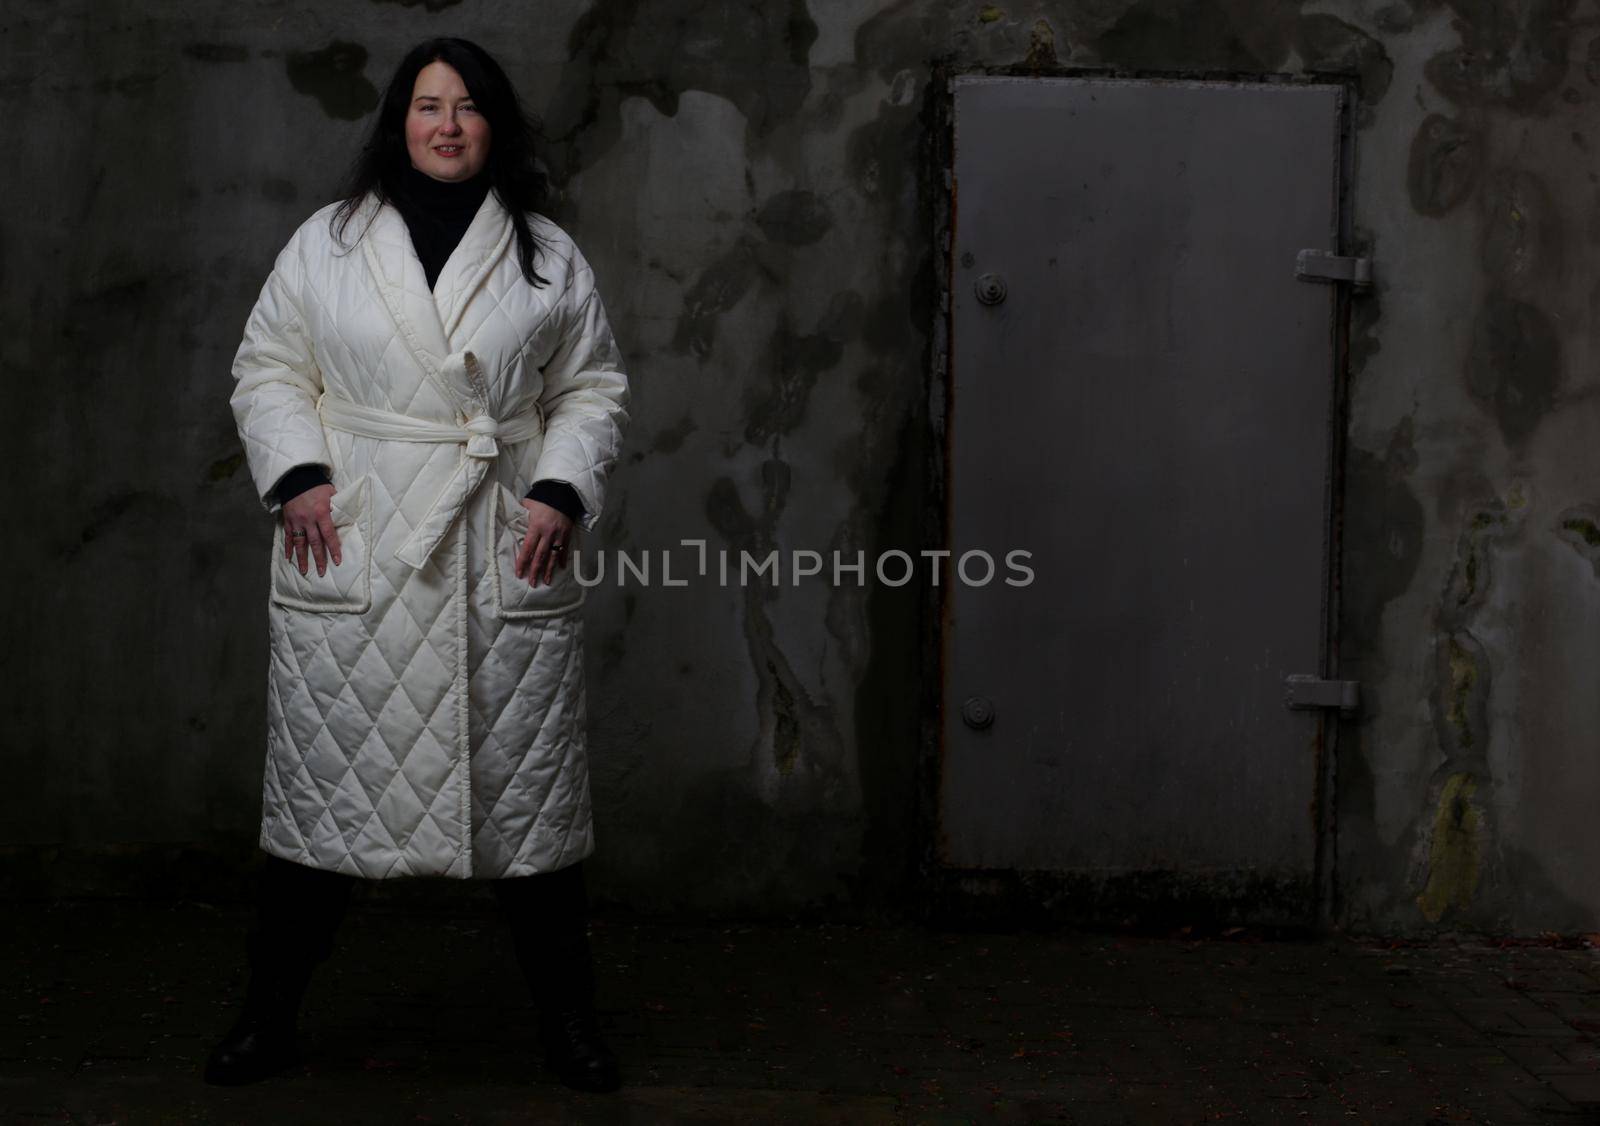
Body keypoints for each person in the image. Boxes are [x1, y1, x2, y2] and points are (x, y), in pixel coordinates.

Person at [203, 37, 630, 1093]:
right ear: (399, 123)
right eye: (428, 106)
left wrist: (560, 487)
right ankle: (267, 1016)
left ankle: (571, 1026)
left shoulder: (545, 253)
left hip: (500, 549)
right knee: (319, 811)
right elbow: (267, 366)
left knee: (531, 818)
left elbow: (591, 386)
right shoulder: (328, 244)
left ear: (496, 126)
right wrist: (298, 472)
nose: (447, 124)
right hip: (358, 545)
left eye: (469, 106)